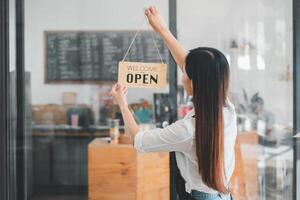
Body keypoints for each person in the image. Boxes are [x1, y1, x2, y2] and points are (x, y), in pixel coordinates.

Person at [109, 6, 237, 200]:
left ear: (195, 82)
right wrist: (162, 29)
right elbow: (188, 64)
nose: (182, 77)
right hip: (222, 195)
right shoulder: (227, 110)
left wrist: (122, 104)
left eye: (185, 74)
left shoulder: (187, 130)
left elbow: (138, 141)